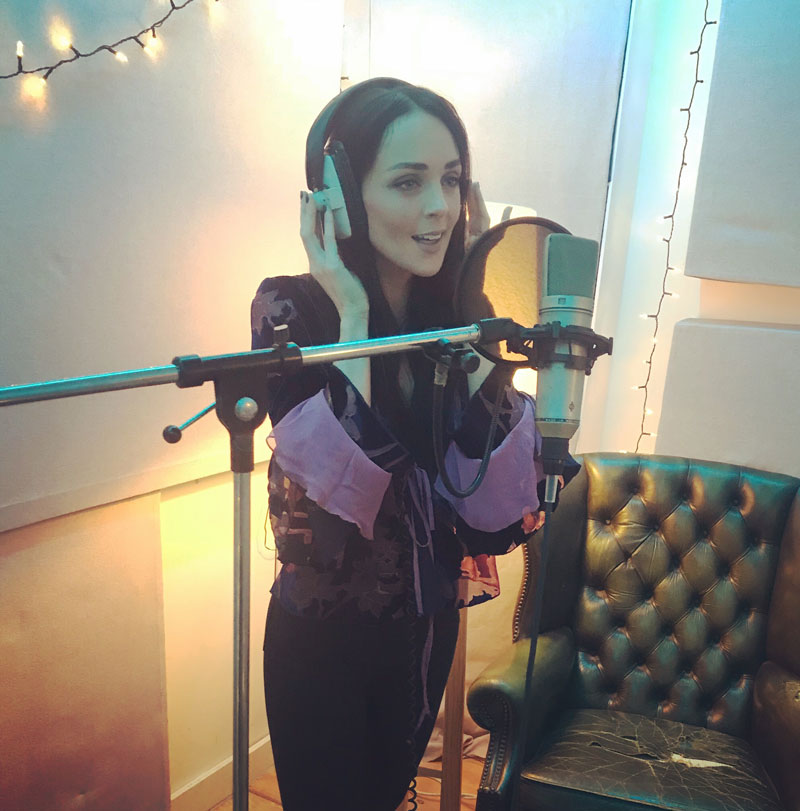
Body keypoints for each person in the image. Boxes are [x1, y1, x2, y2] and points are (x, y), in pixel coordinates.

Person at [250, 77, 573, 811]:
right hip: (322, 637)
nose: (440, 207)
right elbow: (336, 498)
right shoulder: (291, 308)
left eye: (452, 180)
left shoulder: (451, 320)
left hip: (422, 633)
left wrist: (474, 302)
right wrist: (353, 313)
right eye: (408, 181)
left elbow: (491, 504)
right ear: (338, 196)